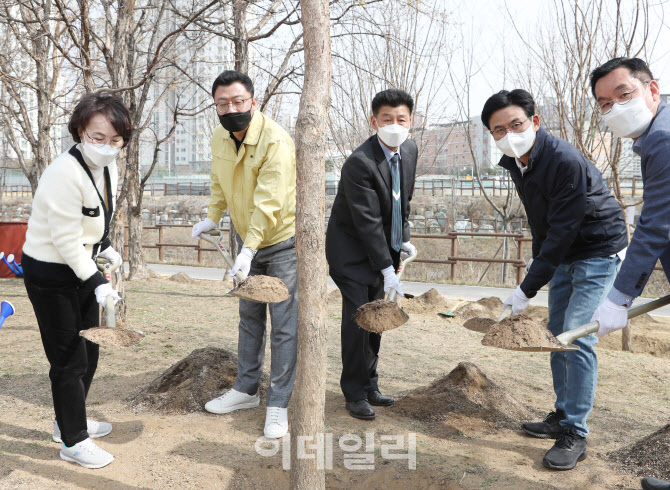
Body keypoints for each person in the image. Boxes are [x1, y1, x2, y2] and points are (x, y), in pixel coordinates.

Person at [480, 89, 628, 471]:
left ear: (535, 122)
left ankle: (576, 433)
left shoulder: (563, 159)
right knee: (556, 332)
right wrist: (537, 262)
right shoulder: (518, 162)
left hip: (596, 250)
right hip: (564, 252)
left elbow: (563, 227)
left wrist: (527, 287)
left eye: (516, 124)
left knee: (577, 337)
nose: (509, 134)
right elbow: (542, 222)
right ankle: (561, 415)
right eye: (499, 129)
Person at [22, 93, 131, 469]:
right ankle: (73, 440)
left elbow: (98, 215)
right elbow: (66, 240)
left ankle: (66, 421)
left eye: (116, 140)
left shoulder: (107, 167)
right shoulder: (62, 174)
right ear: (79, 131)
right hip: (52, 273)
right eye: (97, 138)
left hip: (83, 265)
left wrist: (106, 247)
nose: (107, 147)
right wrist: (98, 281)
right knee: (68, 358)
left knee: (91, 348)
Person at [191, 70, 297, 439]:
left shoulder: (275, 141)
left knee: (284, 325)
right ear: (216, 106)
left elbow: (270, 203)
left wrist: (249, 249)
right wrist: (212, 217)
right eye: (223, 103)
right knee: (249, 317)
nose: (231, 108)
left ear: (254, 101)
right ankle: (246, 390)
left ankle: (279, 403)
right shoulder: (221, 135)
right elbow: (219, 180)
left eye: (238, 101)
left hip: (280, 241)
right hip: (245, 240)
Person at [589, 57, 670, 490]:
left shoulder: (664, 139)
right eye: (604, 104)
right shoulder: (655, 135)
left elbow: (657, 223)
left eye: (624, 95)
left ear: (651, 91)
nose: (615, 108)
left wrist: (619, 297)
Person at [326, 89, 418, 420]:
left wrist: (403, 240)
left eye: (401, 119)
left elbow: (401, 202)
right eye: (386, 119)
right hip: (350, 252)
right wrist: (387, 268)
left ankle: (371, 386)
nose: (394, 125)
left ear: (412, 121)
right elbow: (367, 224)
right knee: (358, 318)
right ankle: (353, 392)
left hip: (383, 250)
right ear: (373, 121)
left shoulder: (409, 150)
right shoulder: (359, 163)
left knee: (377, 318)